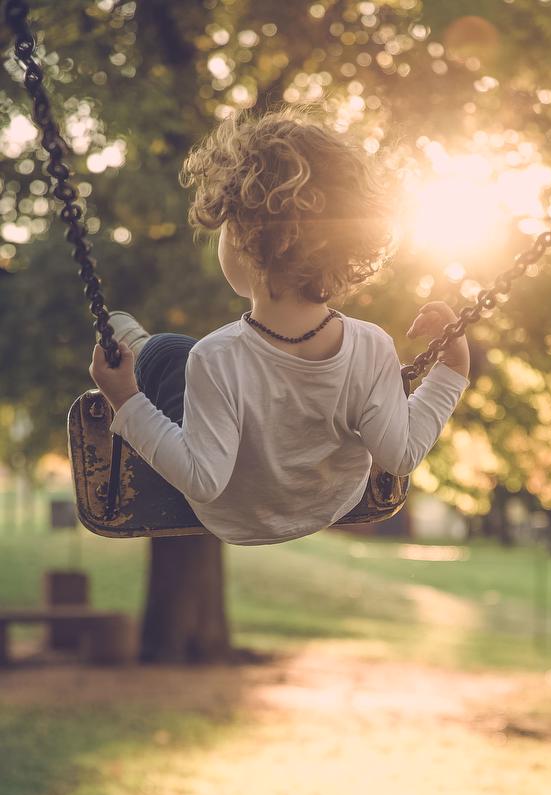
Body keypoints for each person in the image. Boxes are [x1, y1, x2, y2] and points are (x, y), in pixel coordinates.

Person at [89, 107, 470, 546]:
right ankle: (139, 344)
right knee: (182, 359)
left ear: (249, 239)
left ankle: (138, 347)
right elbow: (400, 455)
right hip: (330, 503)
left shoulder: (214, 358)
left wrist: (125, 399)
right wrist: (451, 372)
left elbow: (202, 480)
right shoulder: (372, 347)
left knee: (167, 353)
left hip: (235, 515)